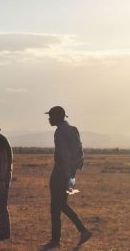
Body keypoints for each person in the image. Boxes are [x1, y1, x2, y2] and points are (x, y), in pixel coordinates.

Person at [42, 106, 92, 250]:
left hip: (60, 173)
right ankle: (81, 231)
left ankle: (57, 240)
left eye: (51, 116)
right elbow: (79, 153)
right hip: (70, 173)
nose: (49, 119)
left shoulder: (60, 132)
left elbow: (64, 155)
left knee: (56, 207)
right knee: (62, 204)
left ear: (58, 116)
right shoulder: (72, 129)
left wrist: (64, 174)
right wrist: (71, 175)